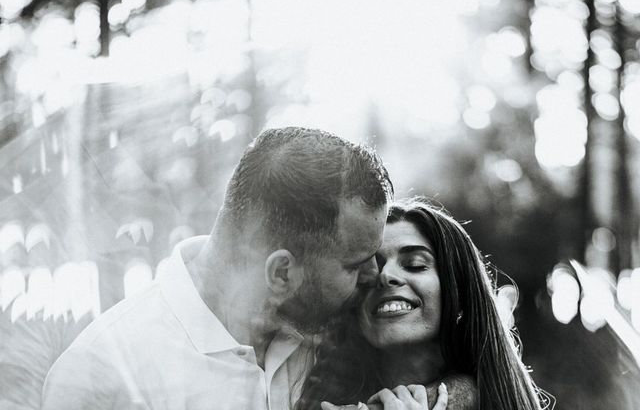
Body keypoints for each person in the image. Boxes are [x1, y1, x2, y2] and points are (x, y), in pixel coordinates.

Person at [41, 127, 393, 410]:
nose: (376, 276)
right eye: (356, 264)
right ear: (282, 273)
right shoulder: (102, 374)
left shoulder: (340, 336)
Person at [297, 198, 548, 410]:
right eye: (371, 266)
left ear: (459, 292)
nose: (385, 275)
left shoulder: (492, 396)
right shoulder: (305, 387)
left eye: (415, 264)